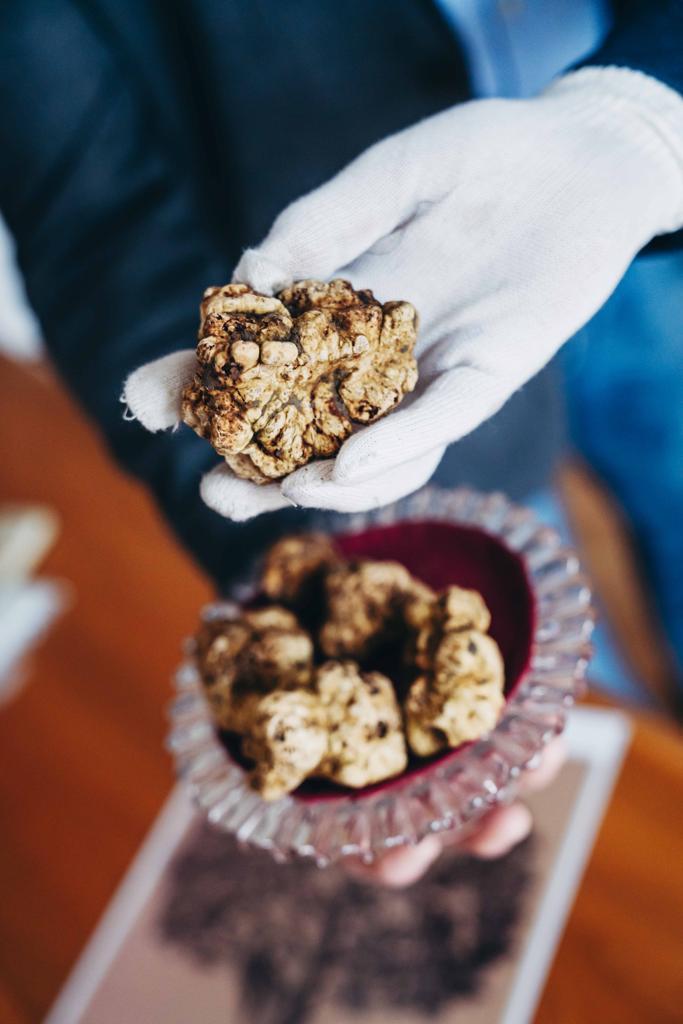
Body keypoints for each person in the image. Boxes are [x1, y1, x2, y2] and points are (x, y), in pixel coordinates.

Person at [1, 1, 681, 885]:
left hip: (635, 200)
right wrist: (301, 561)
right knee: (558, 669)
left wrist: (644, 117)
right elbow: (95, 225)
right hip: (421, 343)